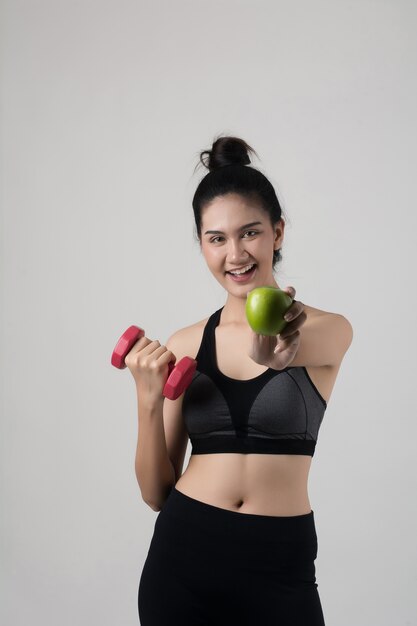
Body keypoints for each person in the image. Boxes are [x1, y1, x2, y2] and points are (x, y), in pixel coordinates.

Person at [132, 134, 353, 625]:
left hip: (279, 563)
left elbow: (291, 345)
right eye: (217, 239)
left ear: (278, 231)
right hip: (183, 556)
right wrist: (148, 400)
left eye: (250, 232)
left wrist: (275, 353)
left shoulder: (328, 331)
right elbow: (155, 494)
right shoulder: (187, 342)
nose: (235, 253)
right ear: (203, 246)